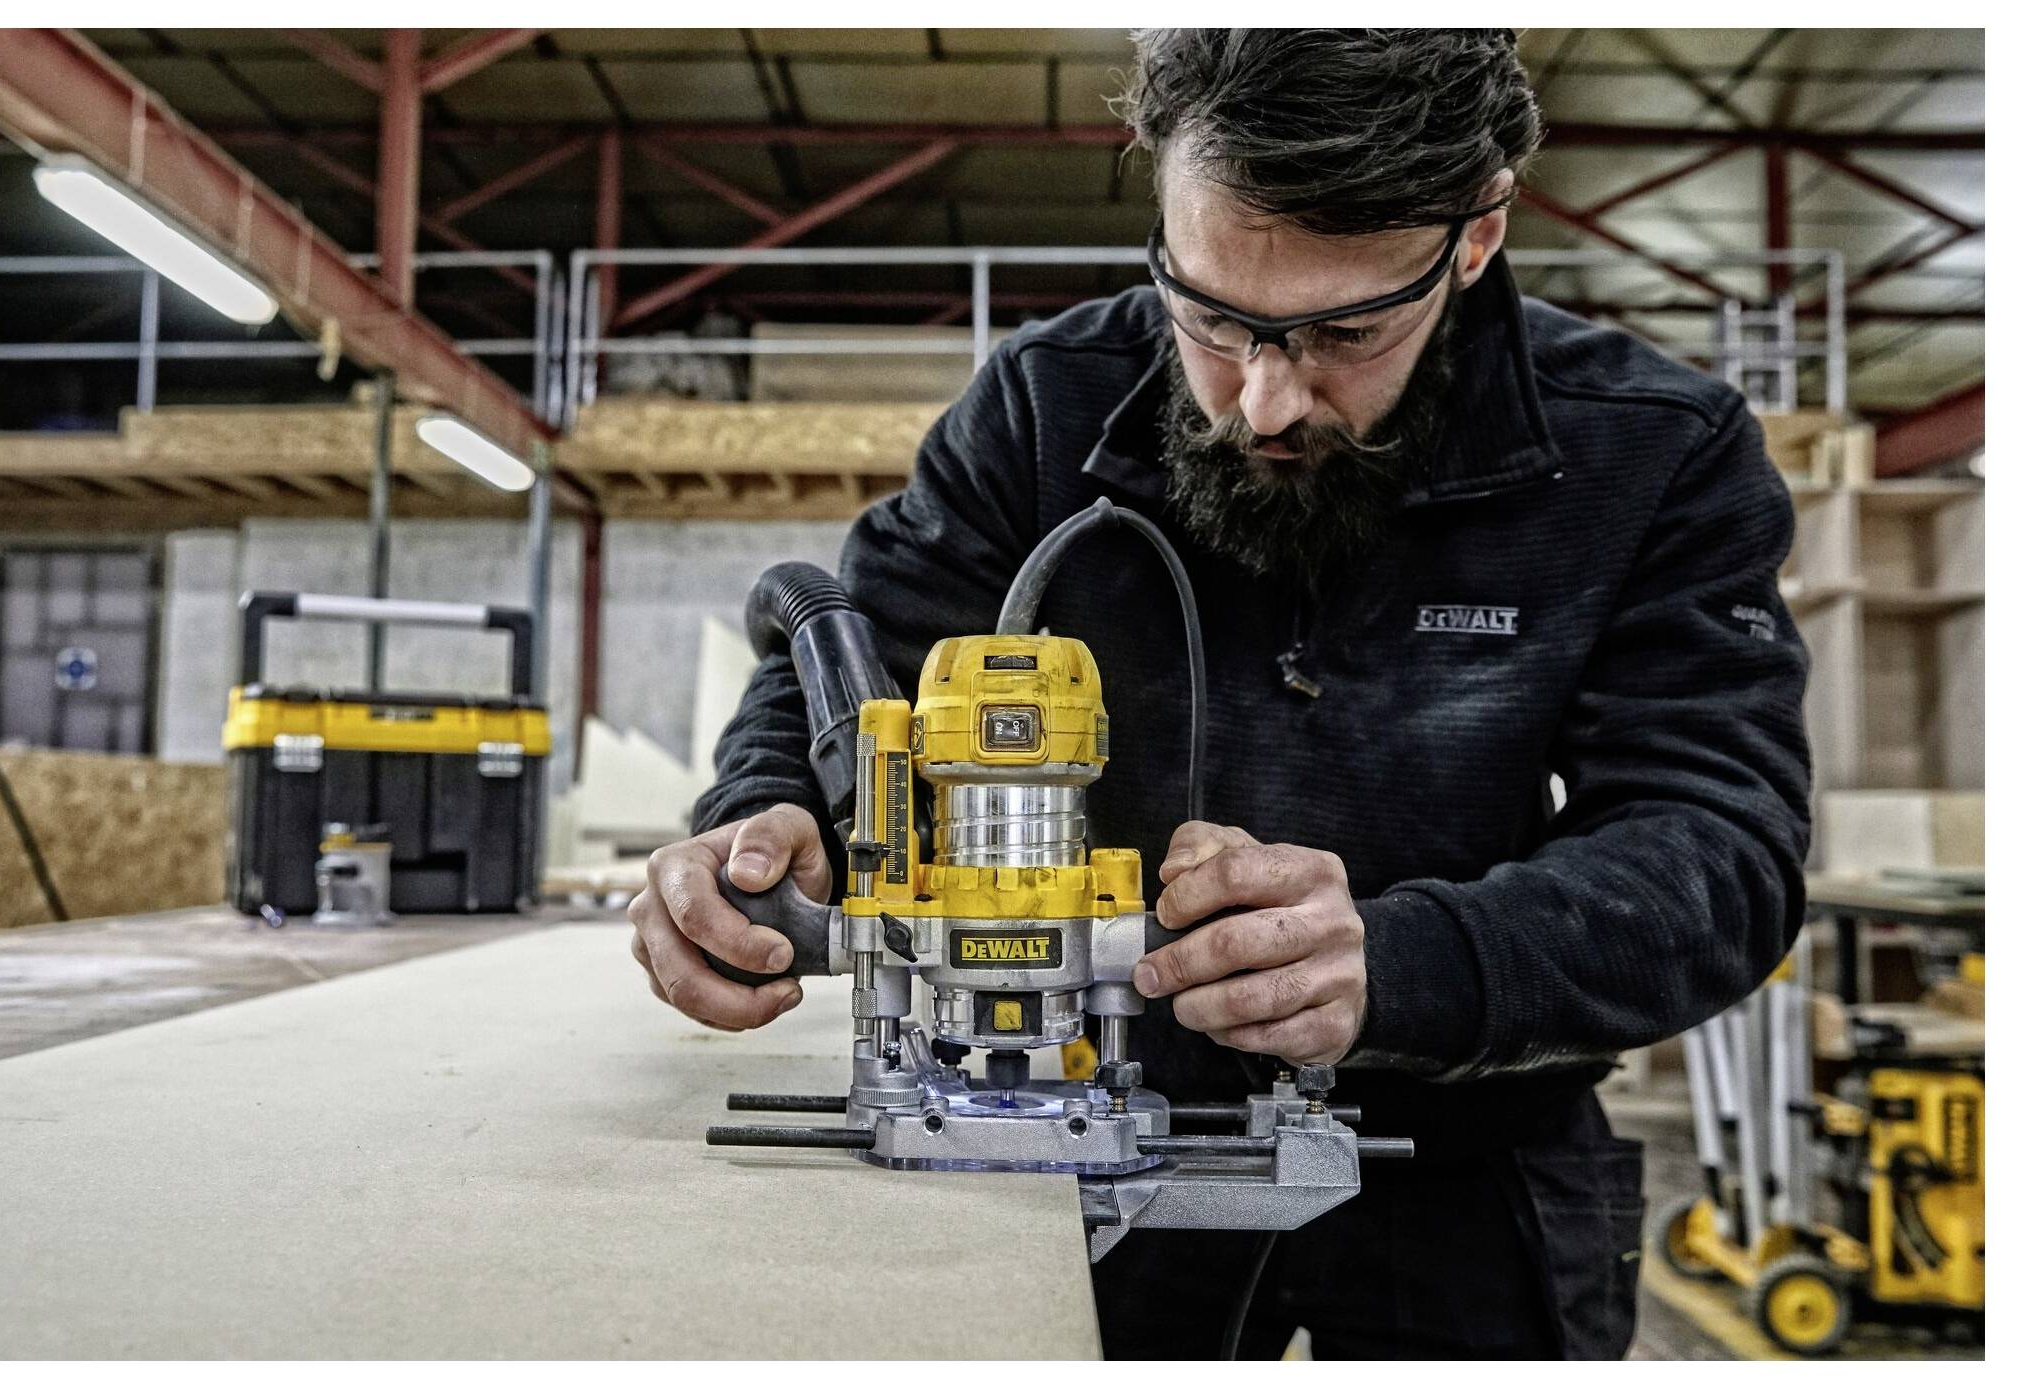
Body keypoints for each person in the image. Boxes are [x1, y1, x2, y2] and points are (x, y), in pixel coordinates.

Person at [630, 28, 1810, 1359]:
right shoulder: (1041, 406)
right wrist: (758, 817)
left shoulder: (1652, 454)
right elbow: (845, 663)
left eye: (1345, 331)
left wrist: (1411, 960)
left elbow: (1719, 854)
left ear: (1475, 238)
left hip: (1474, 1159)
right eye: (1209, 315)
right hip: (1069, 1127)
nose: (1261, 398)